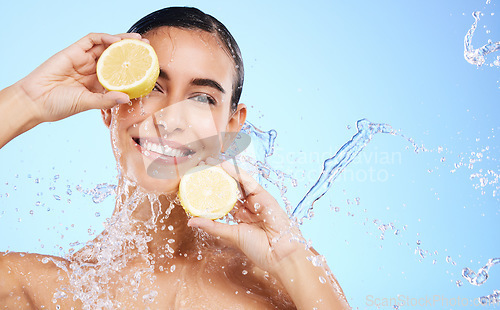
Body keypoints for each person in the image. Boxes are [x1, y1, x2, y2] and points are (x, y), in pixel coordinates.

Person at [0, 7, 350, 309]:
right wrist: (27, 101)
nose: (170, 118)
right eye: (152, 87)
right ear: (109, 103)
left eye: (202, 99)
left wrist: (290, 260)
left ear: (230, 127)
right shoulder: (47, 288)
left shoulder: (287, 280)